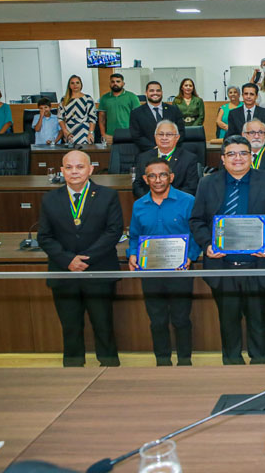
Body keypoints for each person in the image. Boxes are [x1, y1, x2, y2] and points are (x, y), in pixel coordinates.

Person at [189, 135, 265, 365]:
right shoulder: (207, 183)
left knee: (258, 322)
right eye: (231, 154)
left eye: (243, 153)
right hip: (222, 267)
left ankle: (261, 366)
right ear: (222, 158)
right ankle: (231, 367)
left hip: (257, 265)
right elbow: (196, 220)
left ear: (251, 156)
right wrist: (207, 245)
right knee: (228, 322)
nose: (238, 158)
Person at [37, 150, 122, 367]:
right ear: (62, 171)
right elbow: (44, 237)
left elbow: (113, 232)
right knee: (70, 327)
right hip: (64, 274)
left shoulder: (108, 195)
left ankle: (110, 369)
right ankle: (73, 372)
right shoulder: (50, 199)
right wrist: (68, 260)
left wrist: (86, 259)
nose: (74, 171)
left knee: (103, 325)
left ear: (90, 169)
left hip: (99, 271)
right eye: (69, 167)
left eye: (80, 167)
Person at [127, 158, 200, 366]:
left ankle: (185, 361)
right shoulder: (139, 205)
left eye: (162, 175)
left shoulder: (188, 201)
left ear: (171, 177)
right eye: (152, 176)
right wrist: (133, 253)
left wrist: (190, 256)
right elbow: (134, 235)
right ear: (145, 179)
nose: (158, 180)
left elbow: (197, 233)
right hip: (150, 272)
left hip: (180, 270)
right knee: (157, 320)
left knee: (181, 319)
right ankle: (162, 361)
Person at [131, 120, 199, 198]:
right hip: (149, 205)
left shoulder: (189, 158)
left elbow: (190, 188)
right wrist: (151, 200)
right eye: (160, 134)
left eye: (169, 134)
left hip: (177, 205)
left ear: (177, 137)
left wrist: (168, 201)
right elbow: (137, 185)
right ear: (155, 136)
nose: (164, 138)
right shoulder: (143, 157)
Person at [129, 81, 185, 151]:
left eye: (158, 91)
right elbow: (136, 136)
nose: (155, 93)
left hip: (172, 152)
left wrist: (169, 146)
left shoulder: (174, 110)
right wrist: (155, 148)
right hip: (148, 153)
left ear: (162, 92)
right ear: (146, 93)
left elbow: (181, 132)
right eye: (151, 91)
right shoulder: (136, 113)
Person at [98, 72, 140, 143]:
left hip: (128, 134)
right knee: (111, 154)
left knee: (128, 153)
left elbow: (138, 117)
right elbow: (101, 118)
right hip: (110, 135)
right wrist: (103, 134)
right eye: (112, 82)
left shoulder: (132, 97)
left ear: (123, 83)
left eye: (118, 81)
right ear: (109, 84)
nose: (115, 84)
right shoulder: (104, 98)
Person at [58, 75, 97, 146]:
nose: (75, 85)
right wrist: (65, 131)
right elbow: (60, 118)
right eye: (72, 83)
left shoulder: (88, 98)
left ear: (81, 84)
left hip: (84, 130)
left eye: (77, 83)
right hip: (69, 131)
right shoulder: (64, 99)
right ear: (69, 85)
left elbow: (93, 118)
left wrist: (91, 133)